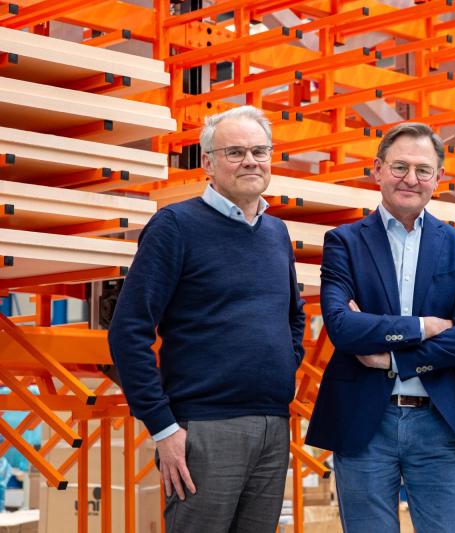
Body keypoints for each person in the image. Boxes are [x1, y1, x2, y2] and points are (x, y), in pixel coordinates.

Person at [108, 105, 305, 533]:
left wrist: (281, 370)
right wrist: (163, 427)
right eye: (235, 152)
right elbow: (127, 331)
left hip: (273, 426)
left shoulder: (276, 233)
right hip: (204, 428)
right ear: (208, 163)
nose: (250, 161)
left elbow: (293, 317)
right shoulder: (175, 226)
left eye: (259, 151)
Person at [305, 122, 455, 533]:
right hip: (364, 421)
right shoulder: (344, 242)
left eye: (423, 170)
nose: (411, 178)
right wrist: (424, 326)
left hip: (439, 422)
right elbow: (342, 328)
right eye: (400, 166)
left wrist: (393, 359)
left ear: (438, 178)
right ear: (378, 170)